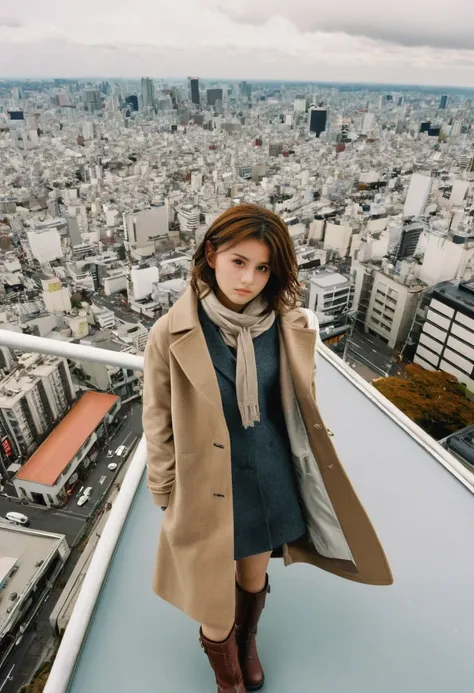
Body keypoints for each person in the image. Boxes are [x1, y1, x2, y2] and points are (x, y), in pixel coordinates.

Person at [143, 204, 393, 692]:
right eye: (239, 262)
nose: (249, 279)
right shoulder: (170, 332)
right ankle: (228, 675)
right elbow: (157, 416)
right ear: (211, 254)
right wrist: (165, 487)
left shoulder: (288, 324)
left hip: (270, 471)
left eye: (262, 268)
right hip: (207, 481)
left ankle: (248, 639)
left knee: (253, 574)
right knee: (211, 599)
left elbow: (301, 401)